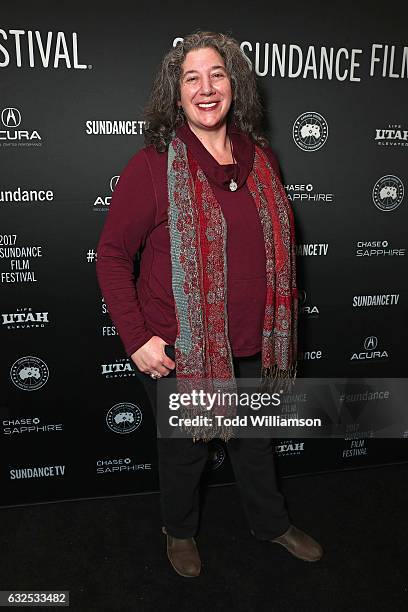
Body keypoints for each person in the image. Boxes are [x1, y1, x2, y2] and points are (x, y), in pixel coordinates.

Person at [96, 30, 323, 578]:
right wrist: (137, 338)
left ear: (234, 86)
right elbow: (110, 256)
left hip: (255, 341)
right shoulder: (153, 165)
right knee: (185, 454)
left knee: (255, 444)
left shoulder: (262, 161)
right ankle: (180, 532)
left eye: (217, 74)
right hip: (183, 350)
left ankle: (271, 524)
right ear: (175, 95)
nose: (205, 87)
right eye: (191, 77)